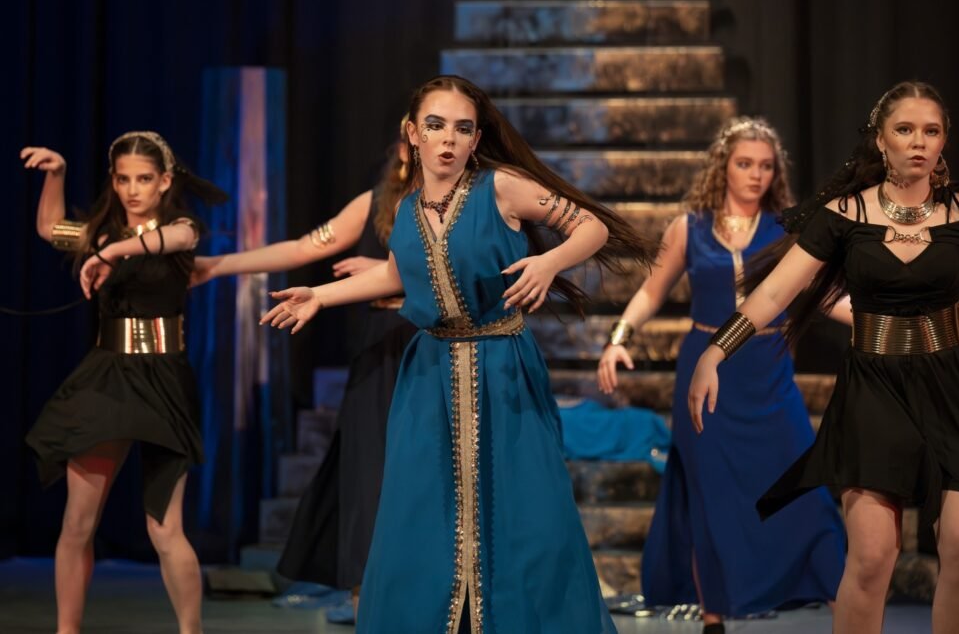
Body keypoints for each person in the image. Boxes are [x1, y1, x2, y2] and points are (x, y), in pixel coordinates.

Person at [261, 75, 658, 633]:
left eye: (462, 128)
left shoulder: (502, 188)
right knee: (421, 515)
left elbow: (590, 227)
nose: (448, 138)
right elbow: (399, 274)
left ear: (475, 139)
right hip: (428, 375)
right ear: (412, 134)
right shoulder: (406, 210)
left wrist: (550, 263)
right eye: (435, 125)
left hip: (502, 366)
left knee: (526, 513)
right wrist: (320, 296)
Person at [689, 81, 959, 634]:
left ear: (944, 141)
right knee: (871, 558)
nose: (918, 141)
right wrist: (714, 352)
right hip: (874, 389)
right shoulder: (843, 214)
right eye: (905, 129)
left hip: (953, 387)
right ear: (881, 139)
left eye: (931, 131)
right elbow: (775, 292)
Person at [596, 117, 847, 633]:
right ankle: (713, 621)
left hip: (767, 374)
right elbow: (651, 291)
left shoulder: (788, 231)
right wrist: (619, 338)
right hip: (706, 375)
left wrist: (885, 322)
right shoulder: (688, 228)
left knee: (809, 497)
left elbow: (823, 296)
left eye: (765, 166)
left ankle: (848, 615)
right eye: (745, 164)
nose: (755, 175)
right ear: (723, 167)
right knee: (708, 500)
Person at [190, 120, 418, 612]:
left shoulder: (463, 207)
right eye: (415, 136)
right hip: (381, 344)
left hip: (431, 342)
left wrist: (388, 275)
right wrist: (217, 265)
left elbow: (475, 274)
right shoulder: (375, 203)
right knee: (365, 467)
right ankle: (363, 590)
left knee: (421, 468)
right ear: (403, 147)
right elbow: (302, 248)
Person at [22, 132, 226, 634]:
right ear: (113, 182)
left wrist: (113, 251)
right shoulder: (101, 234)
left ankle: (191, 630)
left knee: (165, 527)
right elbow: (49, 228)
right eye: (123, 179)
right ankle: (67, 629)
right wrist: (57, 174)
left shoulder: (181, 228)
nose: (133, 190)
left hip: (163, 381)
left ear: (165, 181)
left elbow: (179, 240)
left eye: (144, 179)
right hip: (108, 378)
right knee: (78, 522)